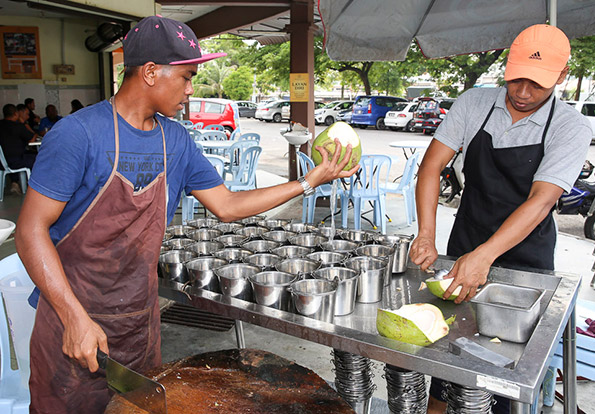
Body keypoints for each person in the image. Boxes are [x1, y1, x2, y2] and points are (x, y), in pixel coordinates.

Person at [15, 15, 358, 414]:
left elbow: (227, 206)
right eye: (186, 77)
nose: (191, 89)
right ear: (149, 73)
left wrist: (309, 181)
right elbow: (29, 231)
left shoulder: (175, 139)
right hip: (70, 323)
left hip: (138, 326)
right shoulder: (78, 135)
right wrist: (73, 316)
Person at [408, 24, 591, 414]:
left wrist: (486, 255)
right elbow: (430, 168)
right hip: (466, 242)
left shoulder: (571, 127)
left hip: (526, 261)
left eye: (537, 84)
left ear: (561, 77)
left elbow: (541, 201)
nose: (523, 93)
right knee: (448, 354)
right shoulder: (475, 103)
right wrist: (426, 233)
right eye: (516, 79)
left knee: (505, 371)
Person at [0, 104, 37, 194]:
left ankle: (14, 182)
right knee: (39, 158)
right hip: (16, 161)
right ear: (16, 114)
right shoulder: (18, 126)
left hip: (1, 162)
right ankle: (36, 186)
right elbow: (31, 139)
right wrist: (34, 133)